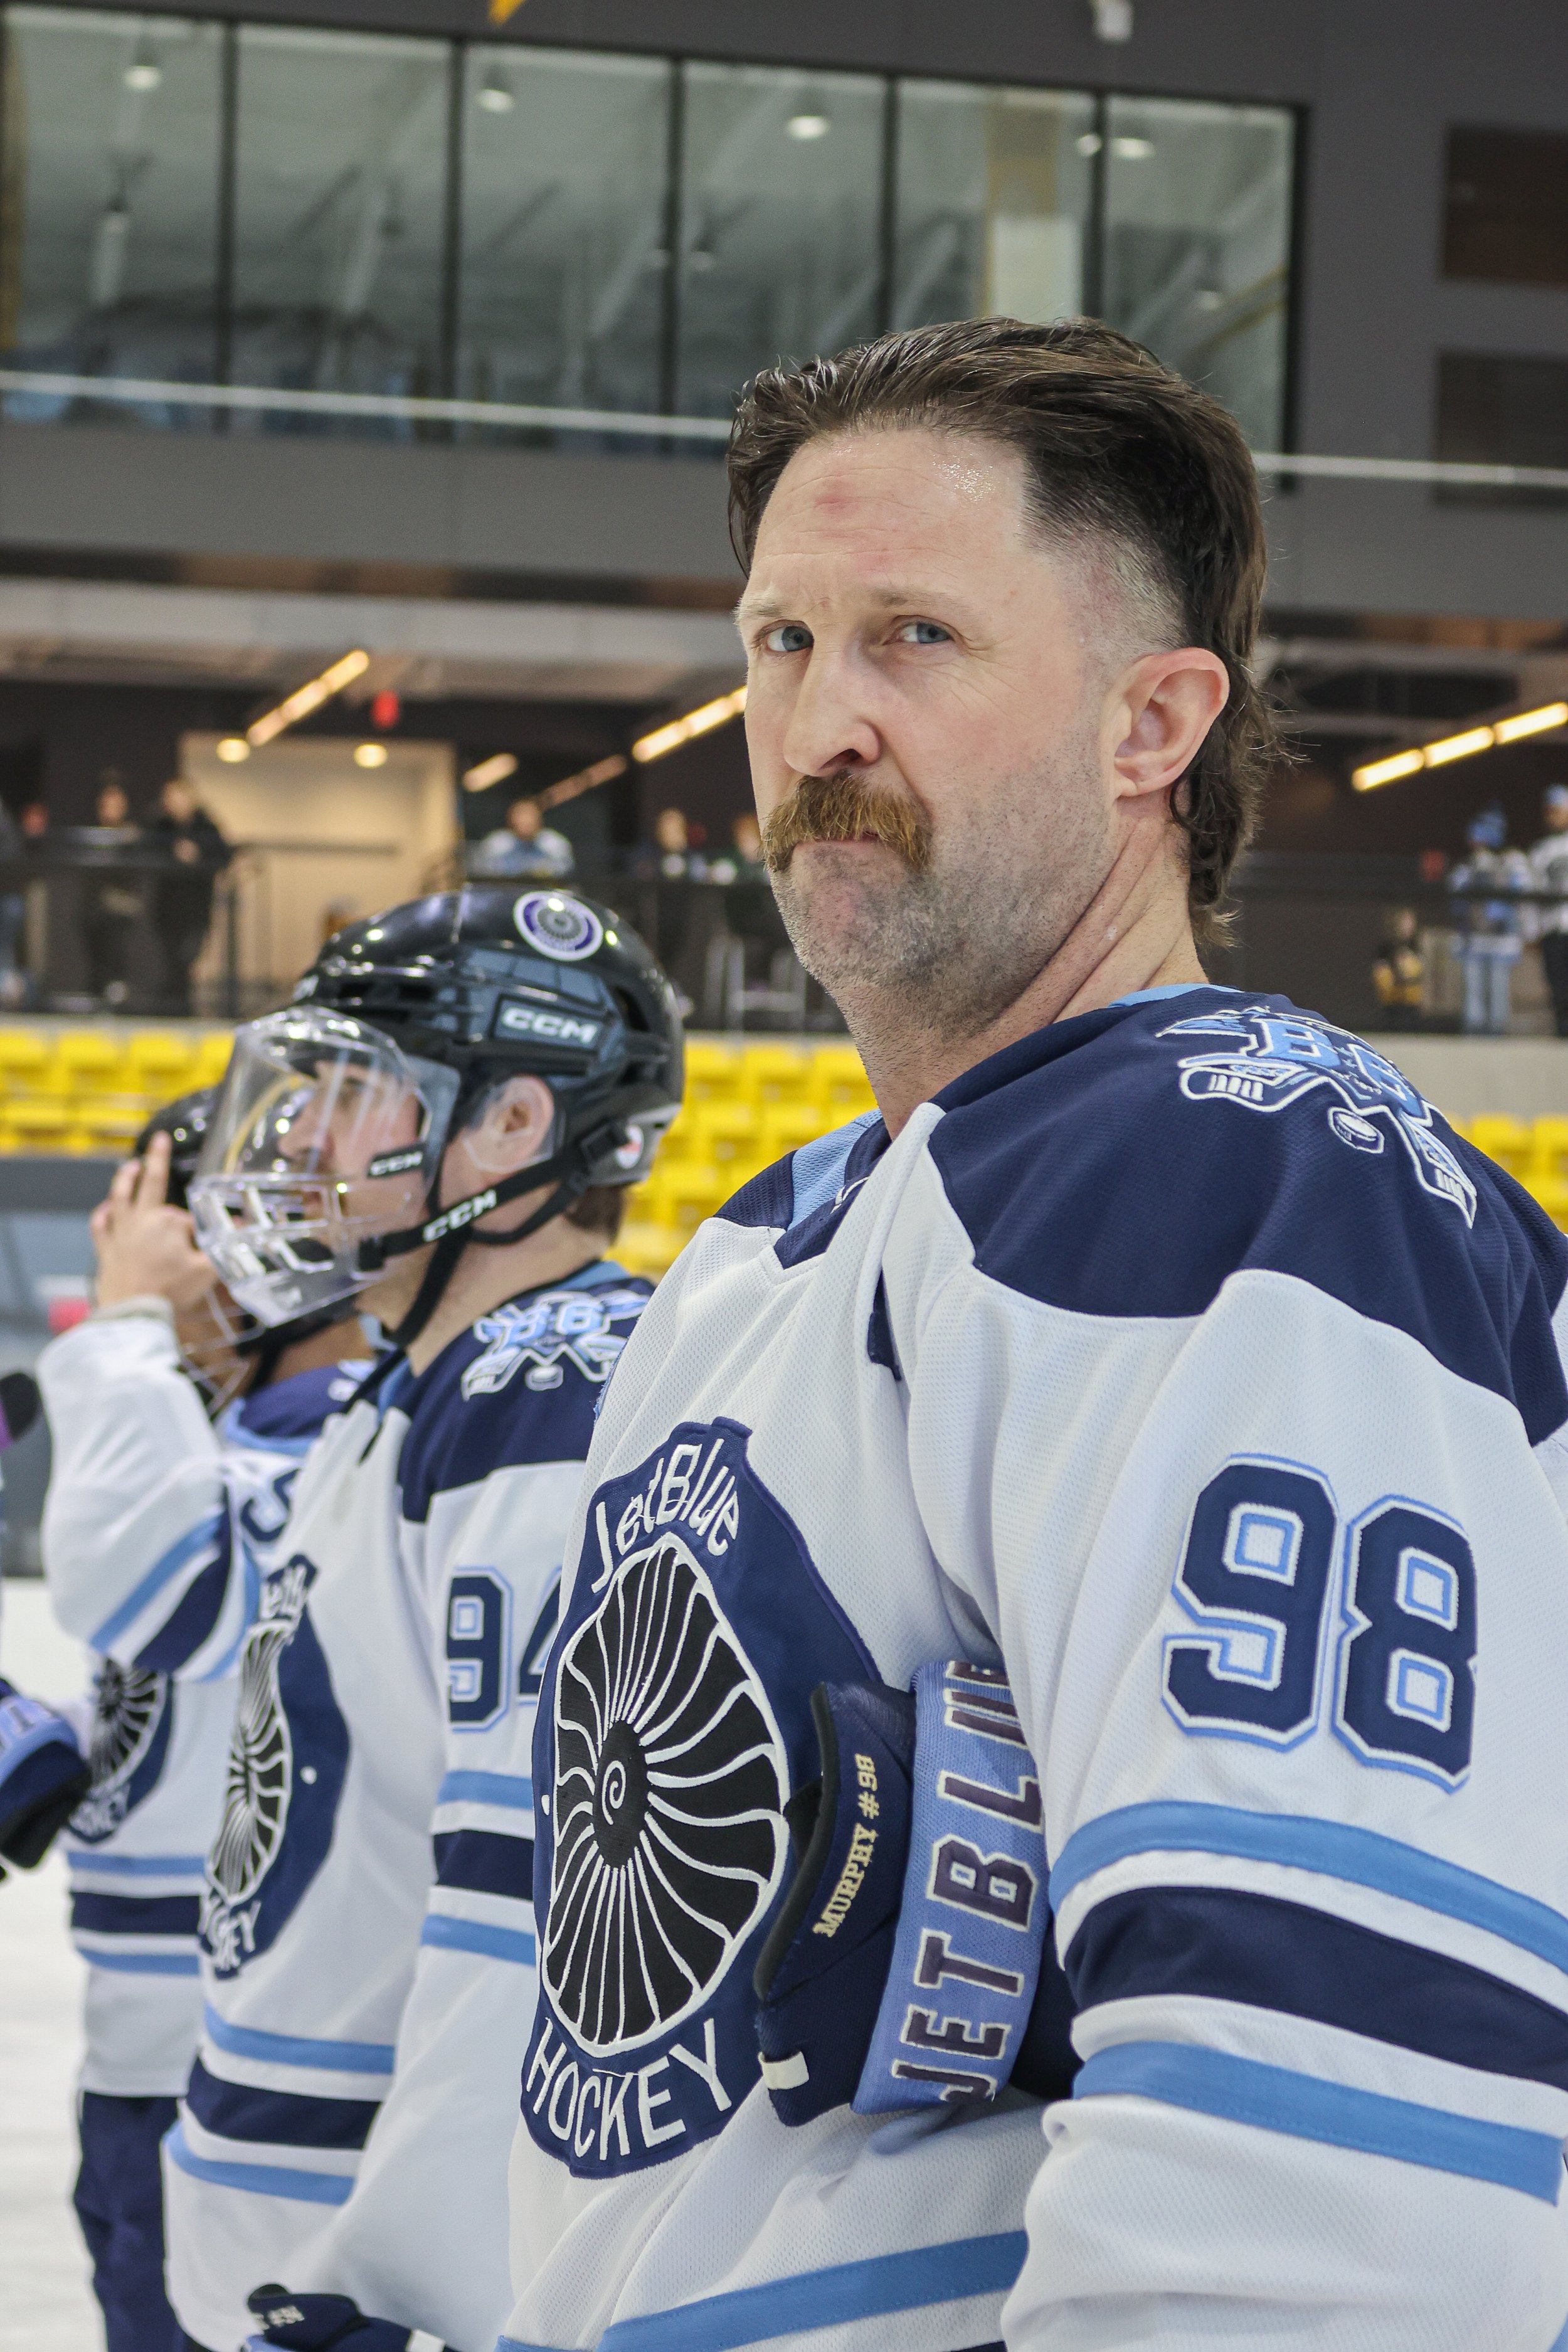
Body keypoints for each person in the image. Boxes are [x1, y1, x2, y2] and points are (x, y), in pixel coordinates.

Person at [499, 318, 1568, 2352]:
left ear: (1151, 725)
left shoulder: (1237, 1180)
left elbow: (1332, 2208)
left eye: (914, 638)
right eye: (781, 643)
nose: (817, 723)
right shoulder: (754, 1253)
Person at [49, 885, 681, 2352]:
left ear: (514, 1126)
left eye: (353, 1093)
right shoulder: (418, 1380)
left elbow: (534, 1907)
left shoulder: (556, 1389)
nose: (298, 1140)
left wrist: (421, 2285)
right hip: (290, 2231)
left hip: (383, 2276)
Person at [40, 1089, 371, 2352]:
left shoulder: (328, 1456)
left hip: (252, 2067)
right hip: (145, 2058)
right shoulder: (211, 1451)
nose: (123, 1263)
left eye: (148, 1234)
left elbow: (160, 1586)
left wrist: (124, 1325)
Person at [148, 780, 230, 1016]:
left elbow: (223, 855)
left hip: (197, 906)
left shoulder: (206, 827)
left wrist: (198, 854)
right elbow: (147, 849)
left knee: (189, 955)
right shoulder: (160, 827)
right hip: (167, 906)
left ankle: (179, 1005)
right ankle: (175, 1006)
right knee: (171, 956)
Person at [1449, 806, 1530, 1036]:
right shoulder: (1467, 867)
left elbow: (1520, 895)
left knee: (1497, 984)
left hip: (1500, 935)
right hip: (1474, 936)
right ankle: (1474, 1028)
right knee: (1474, 986)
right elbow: (1456, 895)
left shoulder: (1511, 863)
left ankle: (1497, 1028)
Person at [82, 776, 143, 1008]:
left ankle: (118, 1001)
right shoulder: (91, 835)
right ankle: (97, 1000)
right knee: (96, 958)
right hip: (94, 909)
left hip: (121, 910)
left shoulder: (131, 836)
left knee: (118, 957)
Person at [1529, 783, 1568, 1037]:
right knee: (1558, 986)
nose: (1554, 816)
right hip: (1553, 928)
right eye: (1551, 811)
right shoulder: (1540, 852)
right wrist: (1532, 931)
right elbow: (1532, 894)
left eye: (1559, 810)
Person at [470, 794, 574, 881]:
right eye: (521, 815)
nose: (526, 820)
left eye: (530, 815)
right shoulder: (496, 844)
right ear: (511, 819)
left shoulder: (555, 843)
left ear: (539, 818)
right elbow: (485, 875)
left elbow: (564, 875)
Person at [1370, 904, 1424, 1029]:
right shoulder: (1387, 948)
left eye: (1410, 923)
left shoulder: (1416, 946)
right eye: (1404, 922)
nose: (1407, 927)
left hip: (1411, 999)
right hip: (1392, 999)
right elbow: (1381, 974)